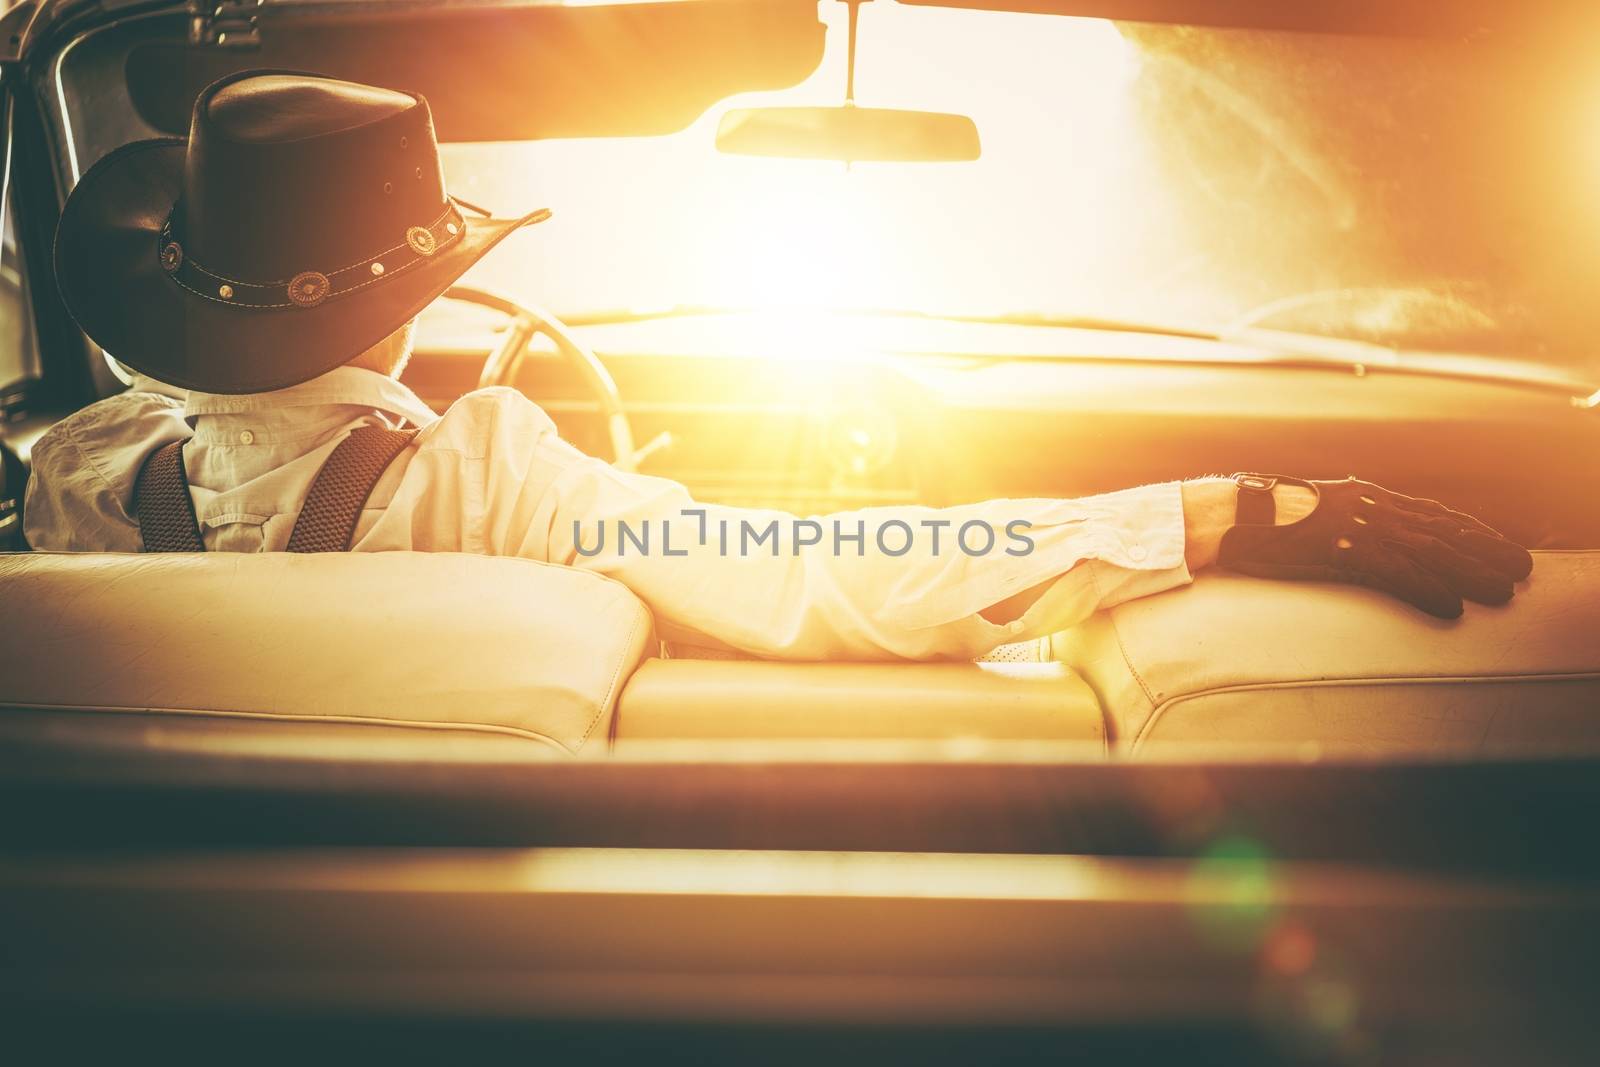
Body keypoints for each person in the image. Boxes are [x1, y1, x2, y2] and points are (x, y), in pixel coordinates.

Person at [23, 72, 1533, 661]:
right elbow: (811, 568)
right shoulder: (492, 478)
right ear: (411, 306)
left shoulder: (77, 485)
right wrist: (1206, 513)